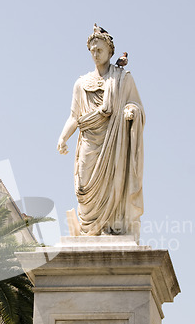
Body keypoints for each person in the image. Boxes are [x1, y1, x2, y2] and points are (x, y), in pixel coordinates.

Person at [57, 25, 145, 241]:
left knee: (113, 184)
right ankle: (88, 229)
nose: (96, 54)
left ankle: (109, 226)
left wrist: (131, 110)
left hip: (114, 141)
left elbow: (137, 105)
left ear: (110, 52)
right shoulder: (80, 83)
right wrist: (63, 137)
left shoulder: (123, 79)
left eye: (100, 50)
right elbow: (74, 116)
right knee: (83, 187)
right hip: (88, 139)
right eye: (93, 51)